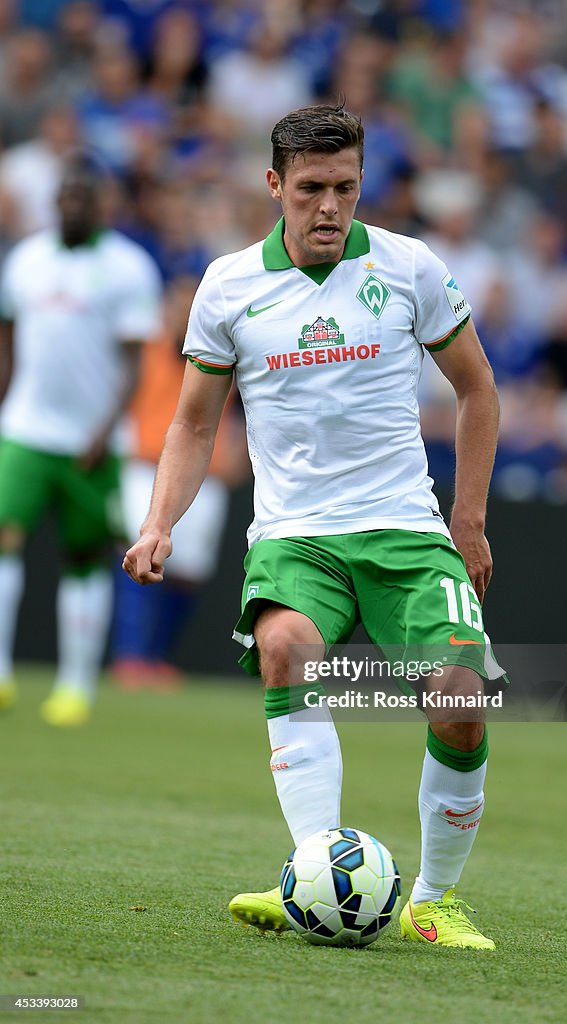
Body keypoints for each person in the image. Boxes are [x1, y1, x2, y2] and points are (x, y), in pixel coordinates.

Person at [123, 105, 505, 950]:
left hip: (405, 530)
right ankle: (312, 873)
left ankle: (433, 900)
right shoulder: (227, 286)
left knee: (460, 697)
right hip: (296, 534)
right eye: (310, 190)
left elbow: (477, 388)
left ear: (361, 182)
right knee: (285, 647)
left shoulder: (410, 268)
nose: (329, 206)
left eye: (344, 187)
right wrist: (159, 523)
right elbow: (192, 424)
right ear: (275, 186)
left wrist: (467, 519)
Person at [0, 155, 162, 725]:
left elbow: (136, 364)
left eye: (81, 198)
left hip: (91, 441)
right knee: (5, 536)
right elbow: (9, 340)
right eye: (63, 196)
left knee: (85, 558)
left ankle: (74, 687)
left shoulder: (129, 268)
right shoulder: (25, 260)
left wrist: (103, 430)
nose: (70, 205)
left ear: (102, 205)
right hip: (24, 428)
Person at [111, 271, 249, 689]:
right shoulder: (147, 349)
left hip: (204, 474)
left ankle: (156, 656)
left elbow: (246, 410)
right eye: (179, 305)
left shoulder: (224, 349)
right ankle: (131, 657)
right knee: (139, 552)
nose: (185, 314)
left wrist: (238, 455)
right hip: (144, 464)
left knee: (189, 571)